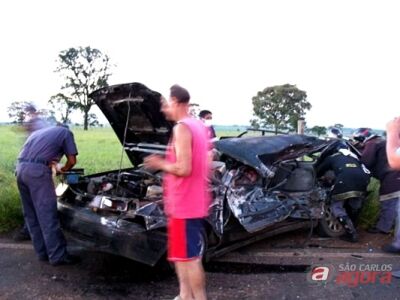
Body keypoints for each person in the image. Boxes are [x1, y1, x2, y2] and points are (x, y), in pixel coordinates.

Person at [144, 85, 210, 300]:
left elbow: (183, 168)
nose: (163, 109)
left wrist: (159, 163)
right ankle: (184, 296)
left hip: (184, 205)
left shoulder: (181, 128)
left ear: (176, 101)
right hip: (191, 201)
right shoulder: (198, 125)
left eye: (165, 104)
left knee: (190, 259)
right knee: (182, 256)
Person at [16, 125, 80, 265]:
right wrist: (63, 169)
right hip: (37, 173)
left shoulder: (38, 132)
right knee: (47, 215)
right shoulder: (66, 132)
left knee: (31, 215)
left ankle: (42, 253)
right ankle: (58, 256)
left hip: (20, 170)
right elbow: (72, 161)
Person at [315, 140, 370, 242]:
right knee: (355, 206)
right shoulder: (355, 158)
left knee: (336, 207)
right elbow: (366, 171)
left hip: (344, 183)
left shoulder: (332, 157)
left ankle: (352, 234)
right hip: (362, 183)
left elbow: (318, 171)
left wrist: (319, 177)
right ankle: (354, 227)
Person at [353, 128, 400, 234]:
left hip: (391, 178)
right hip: (396, 176)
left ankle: (383, 228)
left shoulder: (372, 143)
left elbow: (366, 161)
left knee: (388, 203)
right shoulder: (383, 141)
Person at [13, 104, 48, 242]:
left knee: (37, 202)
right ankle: (29, 230)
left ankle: (32, 231)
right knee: (30, 203)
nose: (27, 114)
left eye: (28, 112)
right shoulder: (33, 124)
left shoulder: (39, 124)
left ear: (33, 112)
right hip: (28, 165)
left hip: (35, 167)